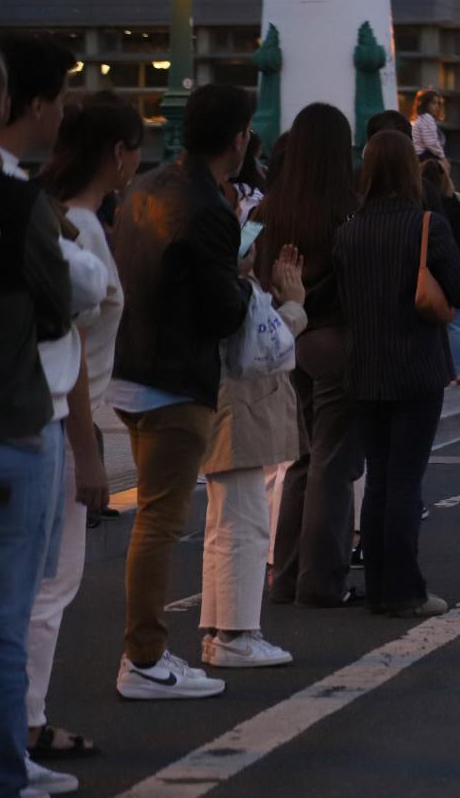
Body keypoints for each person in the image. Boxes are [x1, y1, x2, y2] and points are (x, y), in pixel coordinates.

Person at [109, 82, 253, 699]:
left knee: (154, 518)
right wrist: (246, 284)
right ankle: (144, 659)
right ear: (238, 139)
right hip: (177, 383)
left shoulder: (144, 187)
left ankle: (149, 655)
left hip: (131, 371)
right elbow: (223, 313)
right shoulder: (209, 207)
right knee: (160, 523)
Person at [29, 90, 141, 764]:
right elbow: (69, 346)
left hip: (55, 418)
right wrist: (87, 452)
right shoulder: (83, 232)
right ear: (119, 155)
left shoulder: (56, 216)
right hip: (62, 423)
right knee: (50, 585)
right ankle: (27, 723)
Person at [334, 131, 460, 618]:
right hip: (415, 365)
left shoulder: (348, 228)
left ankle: (377, 585)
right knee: (406, 480)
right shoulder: (425, 226)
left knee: (377, 480)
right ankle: (405, 590)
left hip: (364, 366)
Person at [0, 49, 76, 798]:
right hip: (14, 422)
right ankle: (6, 769)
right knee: (7, 615)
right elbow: (58, 303)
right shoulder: (19, 203)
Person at [260, 103, 363, 610]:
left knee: (299, 461)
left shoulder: (269, 210)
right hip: (336, 340)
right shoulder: (348, 209)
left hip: (284, 340)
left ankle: (285, 575)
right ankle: (322, 580)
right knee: (332, 462)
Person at [199, 242, 305, 668]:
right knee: (245, 524)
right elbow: (263, 345)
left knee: (225, 526)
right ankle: (237, 634)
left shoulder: (223, 284)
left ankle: (220, 630)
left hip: (223, 409)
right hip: (238, 411)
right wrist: (295, 305)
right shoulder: (228, 289)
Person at [421, 160, 460, 385]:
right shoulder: (451, 201)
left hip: (423, 267)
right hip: (450, 261)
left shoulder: (419, 200)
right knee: (459, 318)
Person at [409, 90, 445, 160]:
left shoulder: (419, 119)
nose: (437, 106)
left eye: (438, 104)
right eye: (433, 103)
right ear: (425, 104)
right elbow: (431, 143)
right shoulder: (427, 118)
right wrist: (443, 157)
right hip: (423, 156)